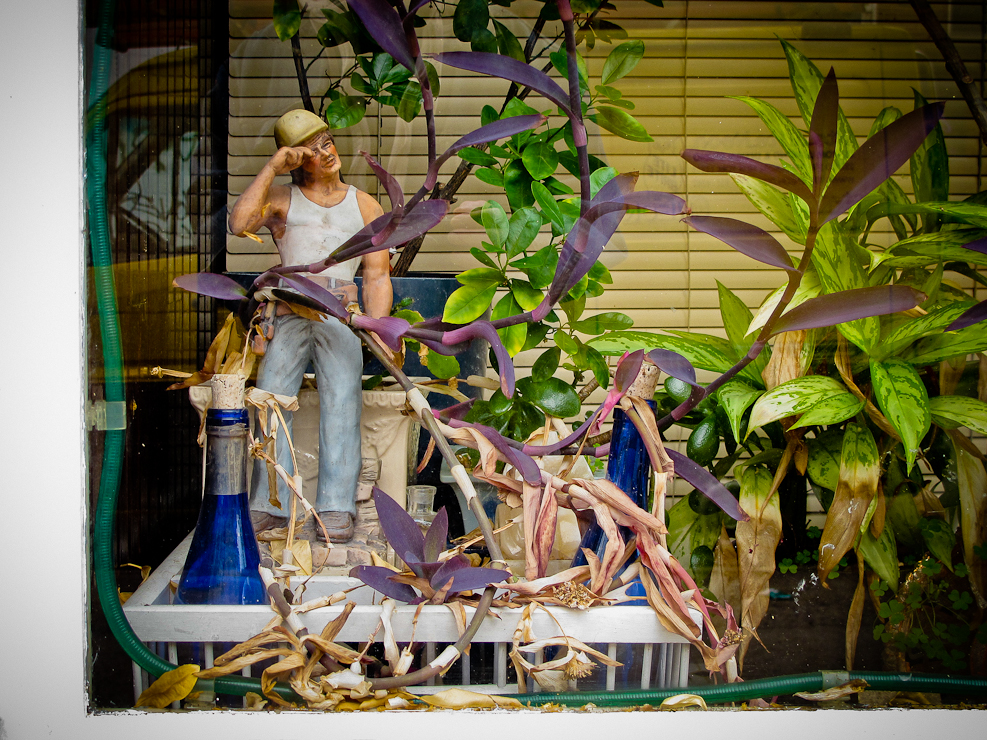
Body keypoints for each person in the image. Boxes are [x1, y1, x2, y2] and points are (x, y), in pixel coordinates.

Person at [229, 109, 391, 542]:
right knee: (271, 402)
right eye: (313, 149)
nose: (328, 152)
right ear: (297, 159)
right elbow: (240, 223)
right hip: (288, 312)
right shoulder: (283, 199)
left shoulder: (365, 205)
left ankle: (336, 506)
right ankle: (270, 503)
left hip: (340, 315)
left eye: (327, 141)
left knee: (342, 404)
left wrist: (377, 327)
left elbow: (377, 275)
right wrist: (272, 167)